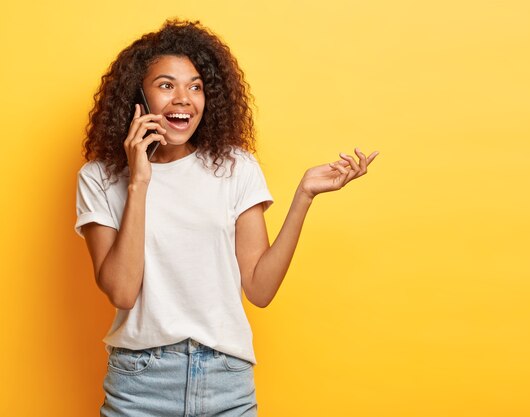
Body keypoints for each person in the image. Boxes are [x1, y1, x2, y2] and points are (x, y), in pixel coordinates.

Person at [75, 19, 378, 417]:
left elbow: (259, 289)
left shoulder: (235, 167)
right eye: (166, 85)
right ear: (139, 97)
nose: (183, 98)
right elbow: (122, 292)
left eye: (195, 86)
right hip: (140, 385)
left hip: (225, 382)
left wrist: (304, 196)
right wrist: (140, 182)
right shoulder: (99, 177)